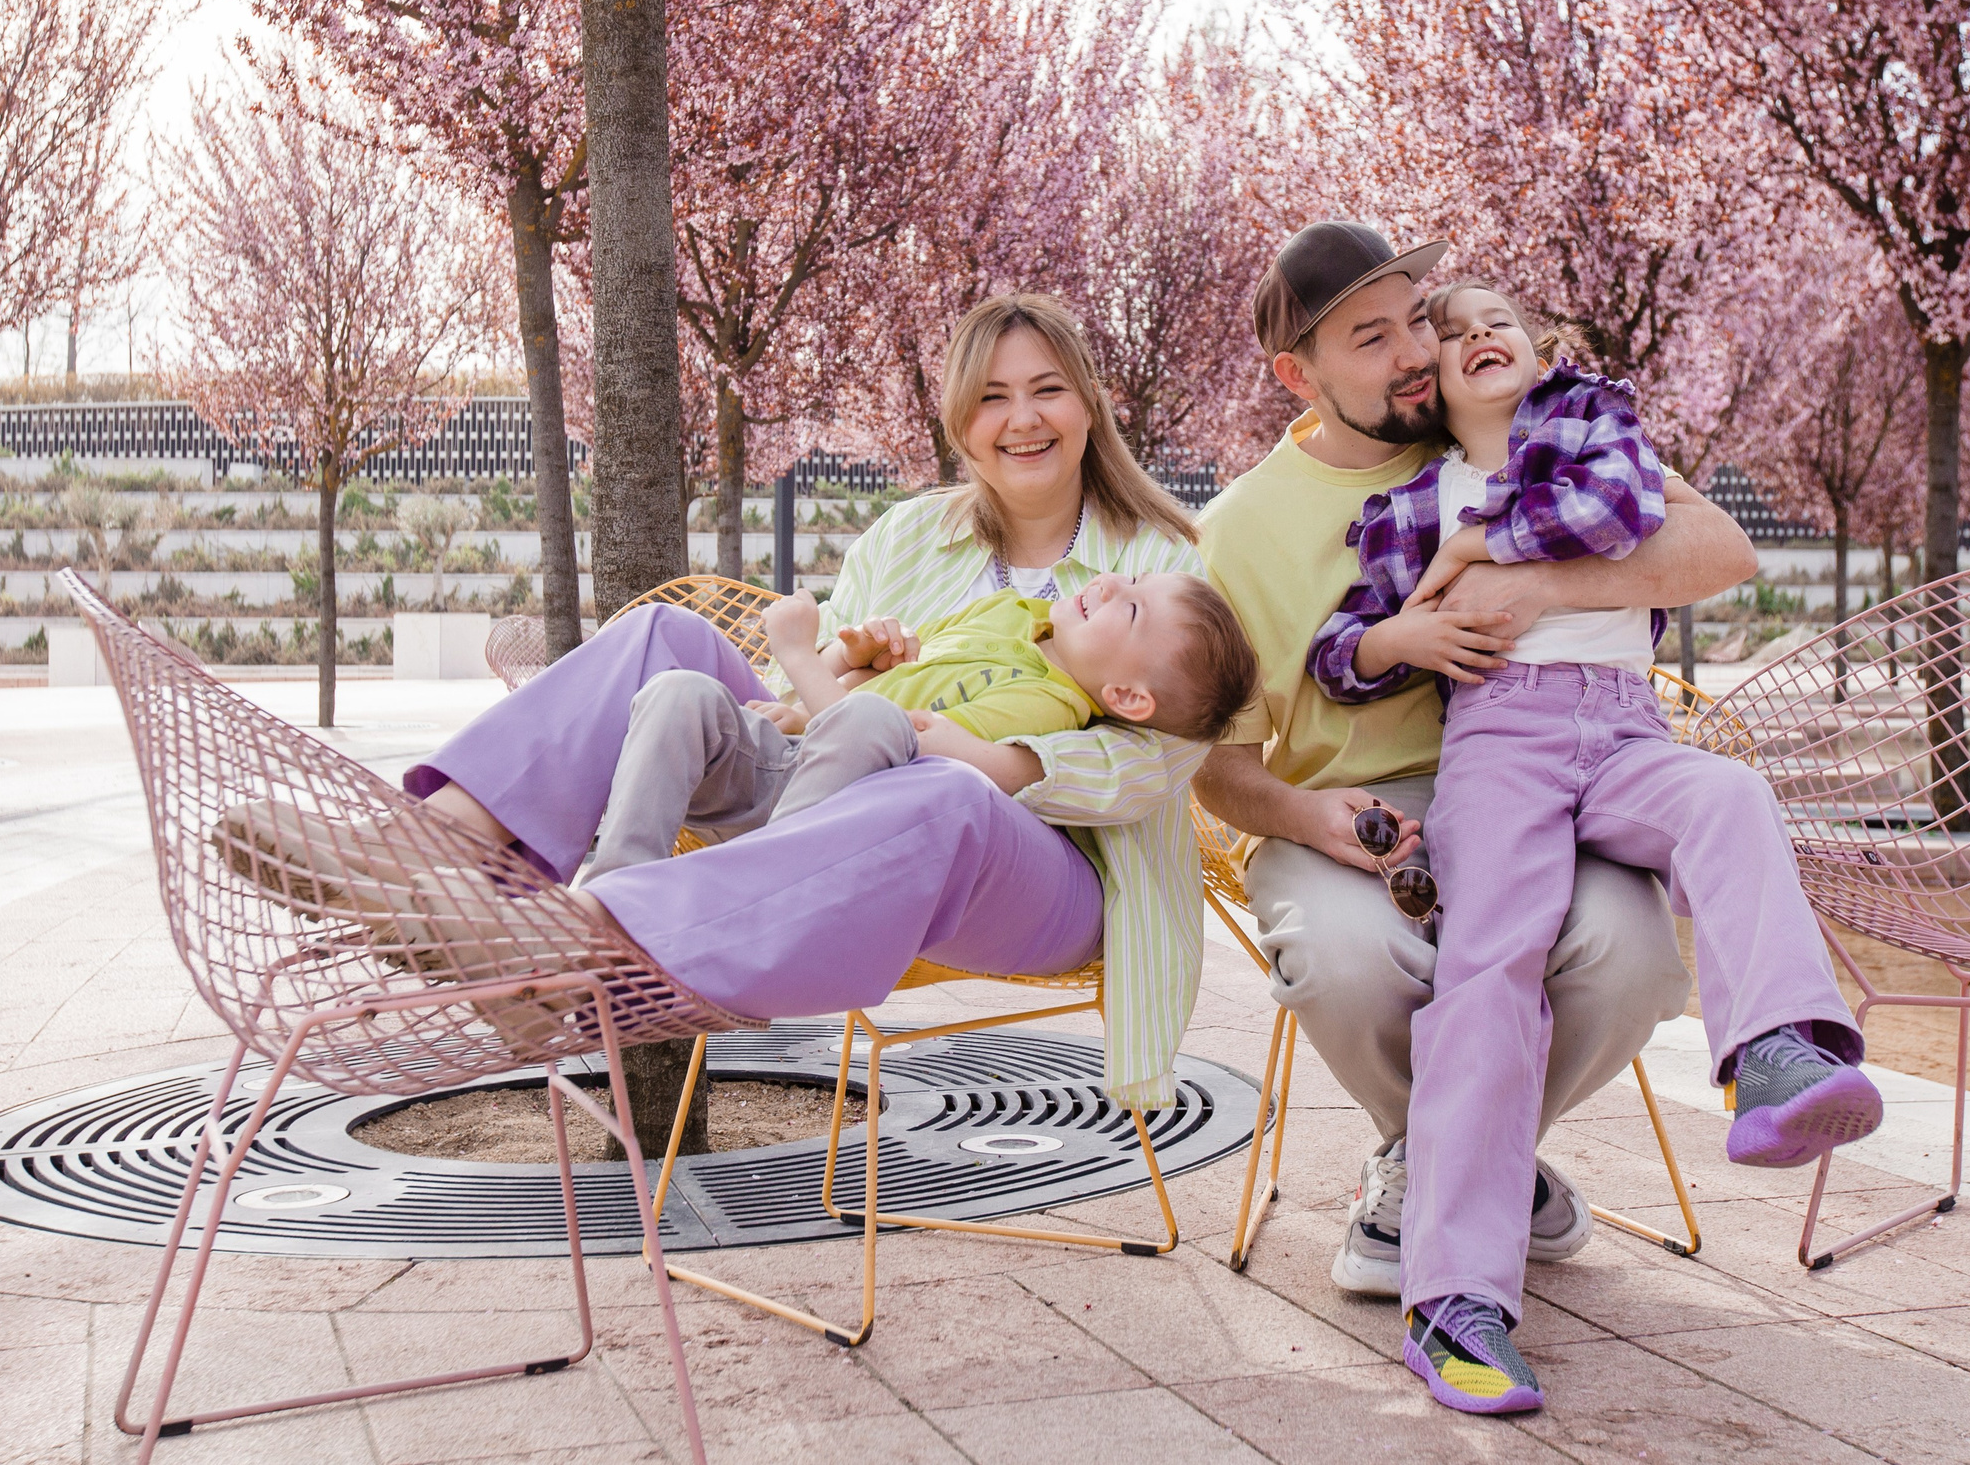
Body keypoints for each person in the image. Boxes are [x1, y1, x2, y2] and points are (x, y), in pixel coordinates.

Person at [223, 292, 1222, 1112]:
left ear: (1090, 403)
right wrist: (845, 662)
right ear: (960, 419)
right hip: (837, 818)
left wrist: (990, 757)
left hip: (1050, 875)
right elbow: (810, 717)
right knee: (669, 644)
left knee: (941, 793)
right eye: (994, 395)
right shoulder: (910, 540)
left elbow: (1170, 757)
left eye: (1048, 389)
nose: (1024, 418)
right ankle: (430, 855)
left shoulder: (1162, 560)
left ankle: (573, 941)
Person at [1311, 278, 1878, 1417]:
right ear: (1427, 375)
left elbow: (1618, 510)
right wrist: (1395, 635)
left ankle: (1774, 1054)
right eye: (1451, 327)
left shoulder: (1593, 427)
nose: (1476, 335)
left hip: (1624, 720)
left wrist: (1484, 542)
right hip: (1498, 738)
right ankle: (1455, 1301)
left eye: (1498, 322)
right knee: (1487, 971)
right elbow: (1336, 646)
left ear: (1542, 349)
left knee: (1728, 798)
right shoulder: (1406, 505)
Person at [1193, 222, 1756, 1303]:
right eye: (1370, 337)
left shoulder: (1516, 423)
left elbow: (1718, 550)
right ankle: (1455, 1160)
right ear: (1294, 373)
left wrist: (1535, 584)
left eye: (1418, 317)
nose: (1414, 351)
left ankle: (1449, 1168)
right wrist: (1308, 818)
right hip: (1351, 813)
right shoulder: (1235, 530)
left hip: (1555, 773)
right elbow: (1218, 768)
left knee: (1630, 956)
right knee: (1351, 959)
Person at [577, 574, 1257, 882]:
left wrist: (795, 656)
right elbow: (875, 693)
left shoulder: (1050, 708)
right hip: (784, 772)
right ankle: (616, 891)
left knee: (872, 723)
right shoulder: (1009, 612)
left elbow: (898, 740)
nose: (1109, 586)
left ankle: (752, 895)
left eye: (1131, 610)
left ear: (1127, 697)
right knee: (679, 692)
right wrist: (841, 667)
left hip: (835, 819)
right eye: (1130, 579)